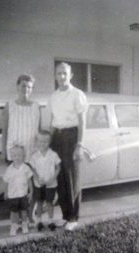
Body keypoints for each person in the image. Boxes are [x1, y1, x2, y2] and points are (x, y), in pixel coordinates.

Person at [47, 62, 87, 231]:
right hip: (57, 136)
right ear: (55, 76)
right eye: (58, 73)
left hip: (72, 136)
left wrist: (79, 144)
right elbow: (51, 122)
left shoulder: (77, 94)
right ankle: (65, 216)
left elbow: (82, 122)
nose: (61, 77)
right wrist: (49, 143)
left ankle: (73, 217)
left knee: (71, 177)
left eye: (65, 73)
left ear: (70, 76)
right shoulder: (53, 97)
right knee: (60, 177)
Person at [2, 74, 40, 162]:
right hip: (14, 152)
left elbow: (39, 130)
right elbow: (5, 129)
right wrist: (3, 151)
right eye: (23, 86)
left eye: (29, 87)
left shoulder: (36, 106)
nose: (26, 89)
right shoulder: (9, 105)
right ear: (17, 87)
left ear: (32, 89)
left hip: (31, 151)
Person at [29, 130, 61, 231]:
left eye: (45, 141)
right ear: (36, 141)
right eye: (40, 141)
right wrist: (37, 178)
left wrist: (53, 178)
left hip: (50, 184)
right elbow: (32, 169)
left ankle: (51, 221)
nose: (42, 143)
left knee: (50, 202)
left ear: (49, 142)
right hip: (38, 184)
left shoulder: (53, 154)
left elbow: (58, 167)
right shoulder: (34, 156)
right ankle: (39, 221)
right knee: (39, 202)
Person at [3, 145, 33, 236]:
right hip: (12, 195)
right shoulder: (9, 169)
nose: (17, 157)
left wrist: (31, 191)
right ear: (11, 157)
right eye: (15, 155)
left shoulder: (26, 168)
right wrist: (6, 192)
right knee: (14, 212)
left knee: (24, 211)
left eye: (19, 155)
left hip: (23, 194)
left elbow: (29, 181)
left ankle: (24, 224)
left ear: (23, 156)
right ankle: (14, 226)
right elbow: (6, 182)